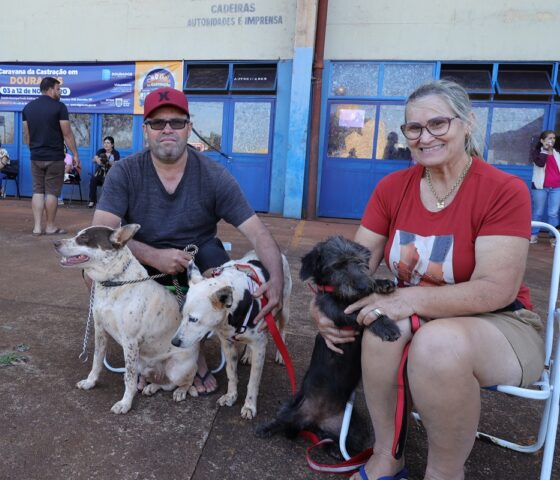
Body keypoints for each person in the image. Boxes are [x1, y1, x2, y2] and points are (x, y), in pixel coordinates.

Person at [310, 80, 543, 480]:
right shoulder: (392, 188)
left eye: (438, 123)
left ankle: (445, 472)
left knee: (436, 344)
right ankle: (387, 456)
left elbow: (496, 289)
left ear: (467, 122)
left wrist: (410, 299)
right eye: (414, 129)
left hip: (499, 321)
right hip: (418, 313)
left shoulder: (503, 190)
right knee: (383, 327)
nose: (425, 137)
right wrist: (323, 303)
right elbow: (353, 264)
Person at [91, 87, 285, 395]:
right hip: (140, 256)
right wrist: (153, 255)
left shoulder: (213, 174)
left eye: (176, 122)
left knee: (222, 281)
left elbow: (258, 233)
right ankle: (151, 357)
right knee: (105, 269)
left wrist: (276, 280)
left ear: (189, 127)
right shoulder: (125, 172)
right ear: (145, 130)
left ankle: (193, 353)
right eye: (157, 123)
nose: (167, 129)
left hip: (199, 254)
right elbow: (102, 232)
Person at [22, 77, 79, 235]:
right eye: (58, 89)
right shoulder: (59, 107)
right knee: (52, 192)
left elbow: (26, 135)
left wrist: (34, 150)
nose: (60, 92)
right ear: (50, 89)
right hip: (54, 157)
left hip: (36, 156)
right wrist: (74, 154)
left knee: (38, 191)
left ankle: (37, 227)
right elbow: (67, 134)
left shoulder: (28, 108)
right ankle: (50, 226)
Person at [529, 130, 560, 244]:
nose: (552, 140)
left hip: (557, 187)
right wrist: (545, 150)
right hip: (540, 187)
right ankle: (534, 234)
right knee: (538, 212)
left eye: (553, 138)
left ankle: (554, 237)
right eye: (549, 138)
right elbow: (540, 164)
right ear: (542, 140)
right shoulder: (536, 152)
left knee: (553, 213)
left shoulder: (557, 152)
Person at [88, 136, 120, 208]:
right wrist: (97, 160)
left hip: (110, 174)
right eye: (105, 143)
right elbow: (93, 160)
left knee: (106, 181)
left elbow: (117, 163)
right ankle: (92, 201)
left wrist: (108, 162)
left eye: (108, 143)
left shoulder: (115, 153)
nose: (106, 145)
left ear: (112, 145)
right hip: (100, 173)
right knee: (93, 180)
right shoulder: (101, 151)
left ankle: (106, 202)